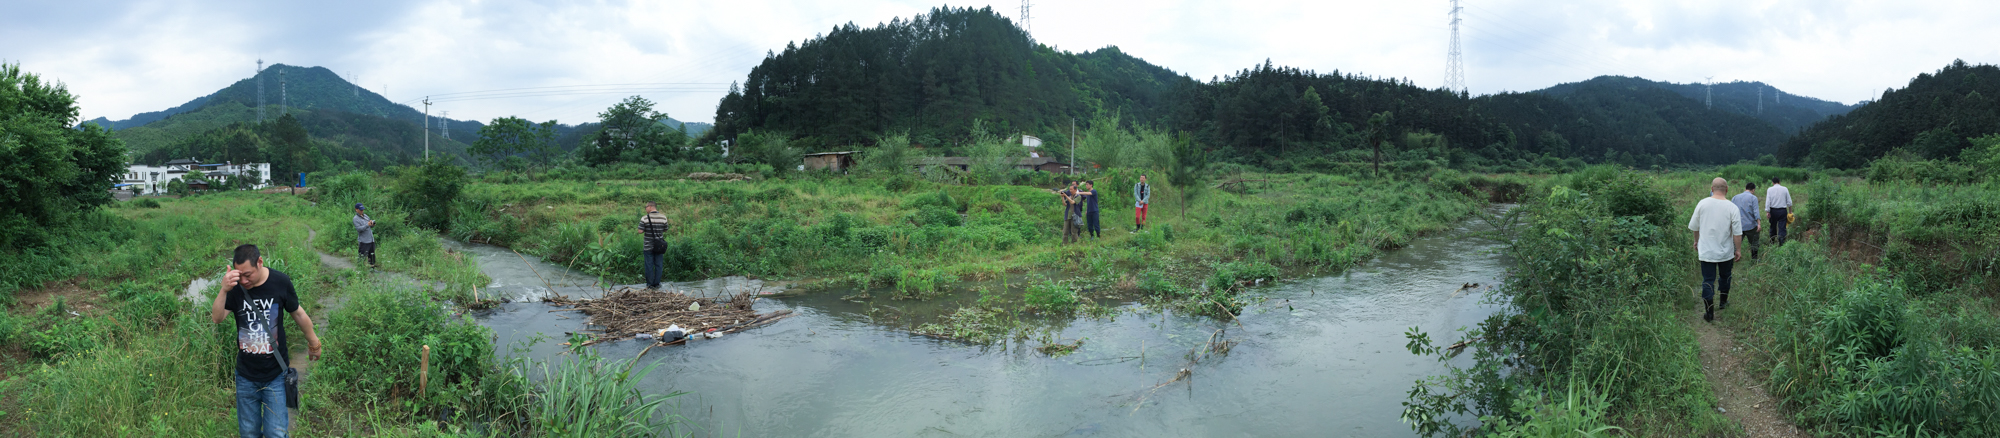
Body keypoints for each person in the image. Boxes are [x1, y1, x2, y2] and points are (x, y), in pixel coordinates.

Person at [210, 244, 322, 438]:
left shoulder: (280, 281)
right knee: (249, 432)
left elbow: (298, 313)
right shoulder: (236, 288)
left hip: (276, 374)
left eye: (248, 274)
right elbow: (217, 318)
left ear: (260, 262)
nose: (244, 280)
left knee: (276, 433)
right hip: (246, 375)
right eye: (239, 275)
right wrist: (224, 290)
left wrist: (314, 343)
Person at [1688, 177, 1744, 322]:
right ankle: (1723, 302)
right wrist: (1738, 250)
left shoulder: (1702, 203)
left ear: (1712, 189)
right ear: (1727, 190)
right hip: (1726, 252)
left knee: (1708, 280)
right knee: (1725, 276)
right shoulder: (1732, 207)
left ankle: (1709, 313)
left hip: (1706, 251)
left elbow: (1695, 227)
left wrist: (1696, 241)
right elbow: (1737, 233)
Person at [638, 202, 671, 290]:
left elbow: (640, 231)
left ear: (650, 207)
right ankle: (657, 284)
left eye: (646, 207)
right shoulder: (663, 217)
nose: (645, 209)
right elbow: (665, 229)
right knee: (659, 265)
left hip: (648, 246)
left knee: (649, 265)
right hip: (659, 246)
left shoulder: (645, 218)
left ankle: (650, 284)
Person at [1732, 182, 1762, 260]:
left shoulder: (1735, 197)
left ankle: (1732, 258)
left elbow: (1731, 211)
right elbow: (1756, 212)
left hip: (1738, 225)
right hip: (1750, 225)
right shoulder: (1753, 198)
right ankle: (1754, 259)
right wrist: (1758, 223)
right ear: (1753, 190)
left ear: (1745, 189)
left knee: (1735, 243)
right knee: (1754, 243)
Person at [1766, 178, 1793, 246]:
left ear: (1772, 183)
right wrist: (1790, 212)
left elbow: (1768, 201)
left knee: (1773, 226)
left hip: (1773, 211)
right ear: (1779, 182)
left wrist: (1767, 211)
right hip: (1782, 211)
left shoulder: (1770, 189)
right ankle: (1781, 242)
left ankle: (1772, 241)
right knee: (1782, 227)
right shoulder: (1785, 189)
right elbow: (1789, 201)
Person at [353, 203, 376, 268]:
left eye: (362, 209)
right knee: (362, 256)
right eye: (360, 210)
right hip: (364, 241)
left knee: (372, 255)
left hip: (371, 239)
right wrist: (367, 225)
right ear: (356, 210)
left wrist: (372, 224)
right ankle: (360, 269)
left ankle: (372, 269)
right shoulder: (355, 219)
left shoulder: (366, 216)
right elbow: (359, 229)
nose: (362, 211)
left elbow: (369, 226)